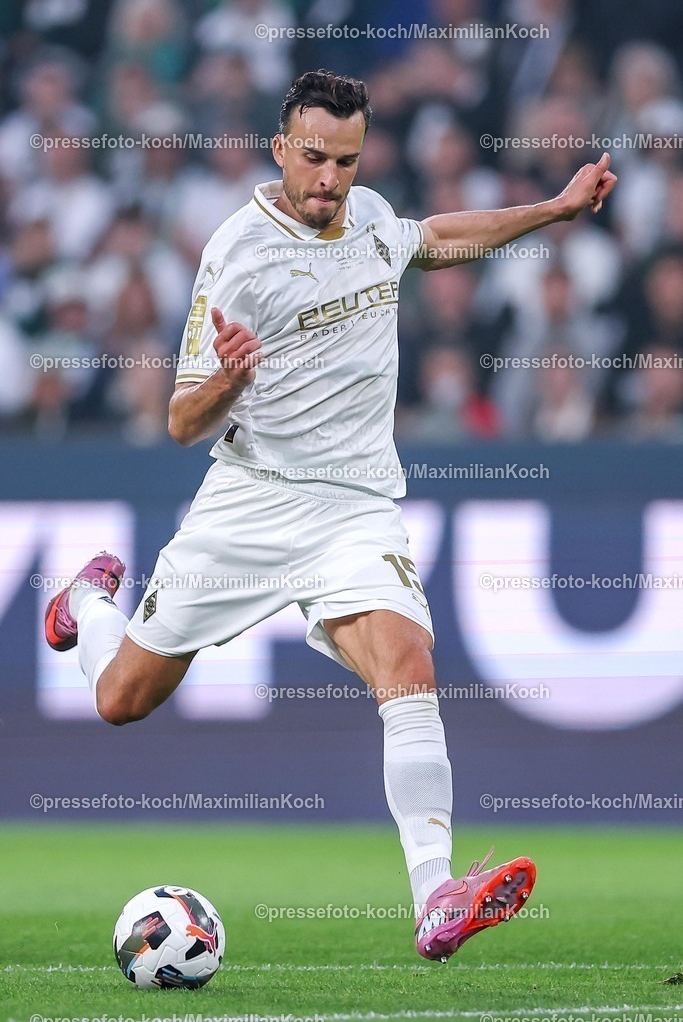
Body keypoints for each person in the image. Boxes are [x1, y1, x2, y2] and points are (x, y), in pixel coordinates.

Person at [44, 70, 617, 963]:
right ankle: (85, 608)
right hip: (250, 500)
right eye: (313, 158)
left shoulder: (371, 219)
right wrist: (228, 381)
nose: (329, 179)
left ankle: (435, 896)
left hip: (355, 506)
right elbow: (180, 421)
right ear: (280, 149)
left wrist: (550, 209)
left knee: (408, 667)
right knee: (121, 700)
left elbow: (431, 240)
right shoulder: (238, 253)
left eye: (345, 161)